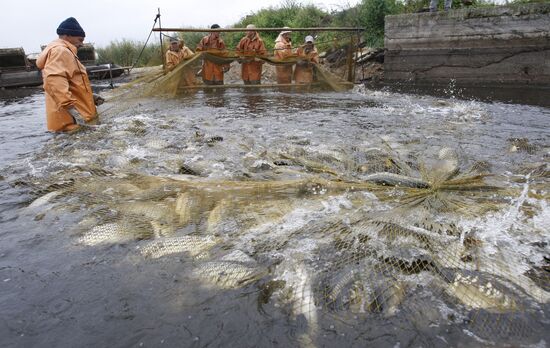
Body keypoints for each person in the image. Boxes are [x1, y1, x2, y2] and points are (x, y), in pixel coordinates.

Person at [36, 17, 101, 132]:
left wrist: (91, 97)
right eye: (80, 39)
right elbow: (54, 82)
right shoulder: (60, 51)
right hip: (71, 124)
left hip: (76, 122)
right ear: (67, 36)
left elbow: (72, 83)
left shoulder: (66, 51)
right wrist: (72, 110)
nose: (82, 44)